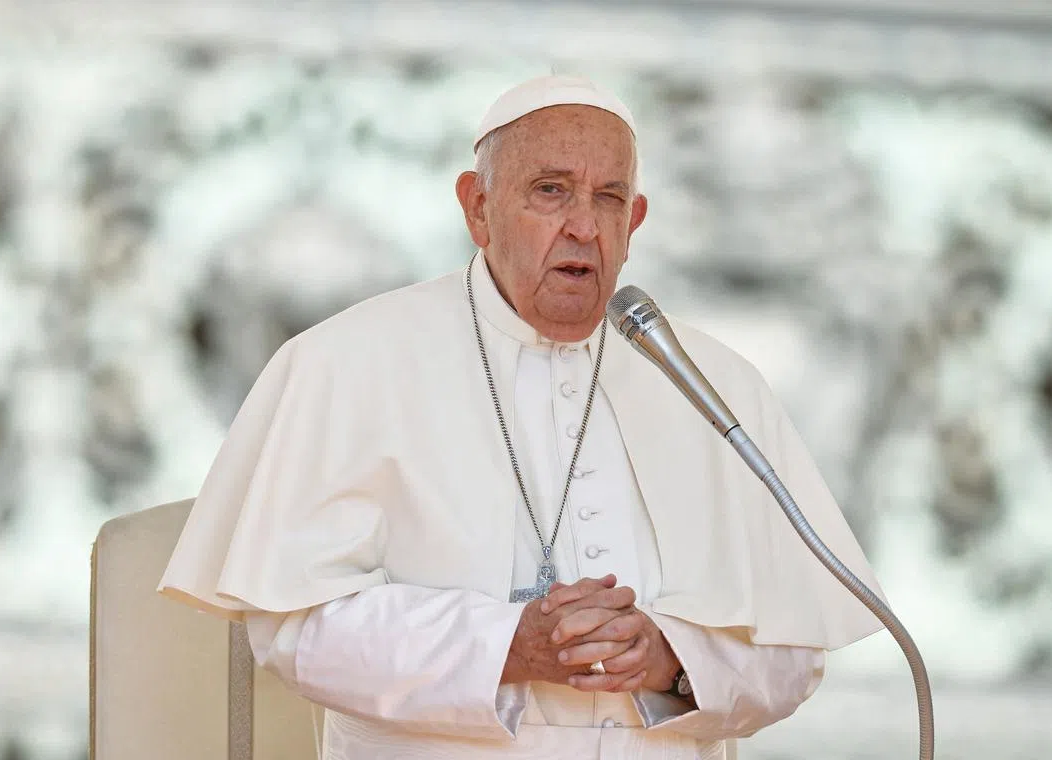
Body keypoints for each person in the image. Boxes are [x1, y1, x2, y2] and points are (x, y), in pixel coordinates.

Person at [158, 75, 885, 760]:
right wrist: (510, 644)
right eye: (550, 191)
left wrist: (673, 657)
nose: (582, 226)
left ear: (633, 221)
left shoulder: (712, 384)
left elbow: (793, 654)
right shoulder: (347, 362)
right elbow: (295, 631)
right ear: (478, 207)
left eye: (607, 198)